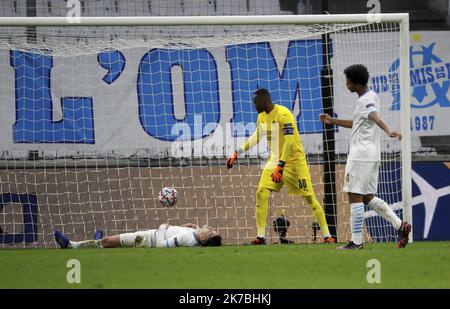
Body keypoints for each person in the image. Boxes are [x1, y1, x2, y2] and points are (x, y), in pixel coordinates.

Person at [319, 64, 411, 250]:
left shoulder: (365, 101)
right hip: (372, 155)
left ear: (353, 83)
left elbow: (374, 116)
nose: (346, 84)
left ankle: (356, 242)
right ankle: (400, 226)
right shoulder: (371, 96)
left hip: (361, 155)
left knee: (354, 195)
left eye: (347, 81)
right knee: (368, 197)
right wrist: (333, 121)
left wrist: (388, 130)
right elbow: (360, 121)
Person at [227, 88, 336, 245]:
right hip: (275, 161)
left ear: (265, 100)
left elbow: (290, 142)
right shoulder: (262, 117)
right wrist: (237, 153)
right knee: (261, 193)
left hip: (294, 162)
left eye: (256, 102)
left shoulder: (283, 114)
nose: (254, 105)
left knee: (309, 198)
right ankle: (260, 236)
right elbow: (256, 136)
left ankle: (327, 235)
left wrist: (281, 166)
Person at [54, 223, 222, 249]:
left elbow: (162, 246)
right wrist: (190, 226)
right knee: (108, 243)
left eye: (210, 231)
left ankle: (71, 245)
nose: (210, 227)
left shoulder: (189, 239)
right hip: (149, 236)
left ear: (203, 239)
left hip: (147, 240)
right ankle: (97, 242)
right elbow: (196, 231)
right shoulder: (194, 234)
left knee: (107, 241)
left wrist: (164, 226)